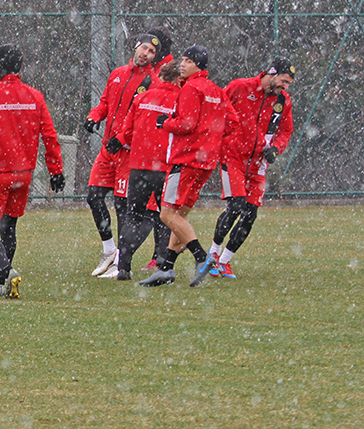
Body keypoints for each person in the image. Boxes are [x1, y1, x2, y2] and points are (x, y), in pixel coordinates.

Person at [0, 44, 65, 298]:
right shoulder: (34, 96)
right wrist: (56, 170)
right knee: (9, 227)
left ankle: (7, 270)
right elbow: (50, 136)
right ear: (20, 67)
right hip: (24, 174)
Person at [139, 45, 236, 287]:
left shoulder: (191, 87)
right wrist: (209, 138)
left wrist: (166, 123)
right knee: (180, 215)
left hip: (185, 160)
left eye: (187, 60)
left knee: (167, 213)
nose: (182, 64)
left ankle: (202, 258)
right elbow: (232, 123)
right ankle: (167, 268)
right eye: (182, 59)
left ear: (198, 65)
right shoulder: (215, 90)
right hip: (206, 162)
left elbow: (186, 124)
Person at [81, 30, 171, 277]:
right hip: (107, 150)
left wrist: (122, 139)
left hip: (130, 153)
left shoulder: (153, 82)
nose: (146, 53)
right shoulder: (117, 74)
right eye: (144, 48)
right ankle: (109, 249)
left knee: (125, 208)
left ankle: (122, 259)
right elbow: (105, 103)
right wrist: (94, 116)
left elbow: (145, 123)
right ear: (136, 47)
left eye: (152, 52)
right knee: (94, 196)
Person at [204, 57, 295, 280]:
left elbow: (285, 131)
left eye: (288, 84)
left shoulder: (283, 100)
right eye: (283, 81)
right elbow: (216, 109)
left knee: (250, 213)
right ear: (271, 74)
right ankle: (212, 254)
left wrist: (276, 148)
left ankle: (225, 261)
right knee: (236, 205)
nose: (285, 86)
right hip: (232, 157)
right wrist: (216, 138)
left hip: (258, 164)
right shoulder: (239, 87)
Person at [111, 60, 182, 281]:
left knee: (133, 215)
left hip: (138, 167)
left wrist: (121, 142)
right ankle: (162, 261)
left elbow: (127, 131)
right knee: (165, 216)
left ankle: (124, 265)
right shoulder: (180, 100)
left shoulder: (142, 97)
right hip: (165, 167)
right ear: (179, 79)